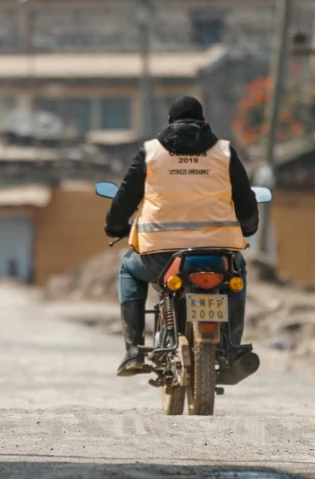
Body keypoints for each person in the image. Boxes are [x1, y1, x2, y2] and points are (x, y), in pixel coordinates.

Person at [104, 96, 258, 377]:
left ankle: (134, 349)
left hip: (161, 257)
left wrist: (115, 226)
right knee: (237, 272)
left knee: (128, 267)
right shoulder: (224, 153)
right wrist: (248, 227)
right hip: (218, 254)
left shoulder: (150, 153)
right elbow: (246, 201)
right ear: (204, 122)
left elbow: (125, 198)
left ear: (170, 123)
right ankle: (233, 344)